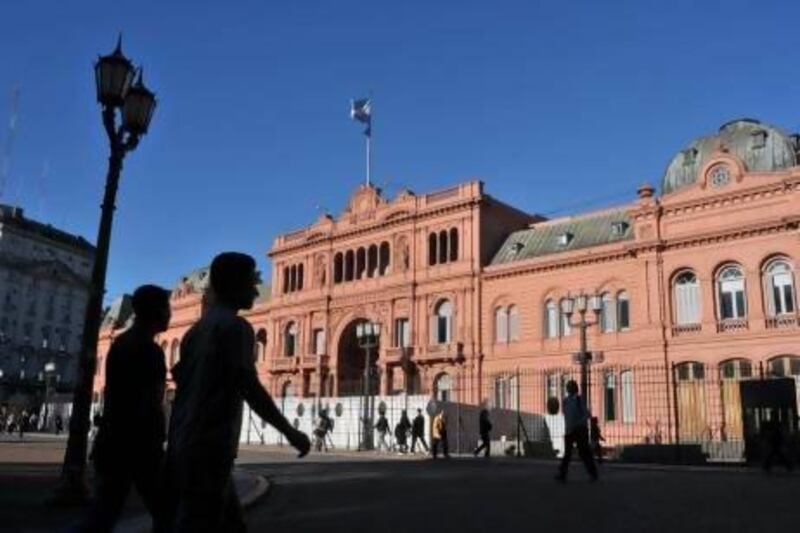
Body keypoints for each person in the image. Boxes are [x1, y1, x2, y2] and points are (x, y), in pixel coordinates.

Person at [165, 252, 311, 533]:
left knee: (227, 523)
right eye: (250, 282)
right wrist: (291, 433)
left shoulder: (194, 332)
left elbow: (180, 385)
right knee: (198, 524)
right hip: (211, 445)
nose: (256, 290)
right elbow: (251, 388)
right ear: (233, 284)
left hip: (186, 441)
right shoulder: (236, 328)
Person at [79, 284, 172, 533]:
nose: (169, 314)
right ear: (156, 311)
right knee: (166, 511)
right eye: (167, 308)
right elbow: (151, 400)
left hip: (114, 440)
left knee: (104, 512)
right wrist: (155, 439)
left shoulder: (121, 343)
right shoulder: (150, 350)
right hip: (139, 444)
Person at [555, 380, 598, 482]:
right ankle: (562, 474)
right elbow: (566, 417)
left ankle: (593, 473)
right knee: (567, 453)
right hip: (570, 430)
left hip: (580, 430)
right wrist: (567, 428)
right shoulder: (565, 401)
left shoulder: (579, 400)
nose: (569, 389)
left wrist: (578, 423)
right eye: (568, 387)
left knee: (584, 452)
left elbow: (587, 414)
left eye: (570, 387)